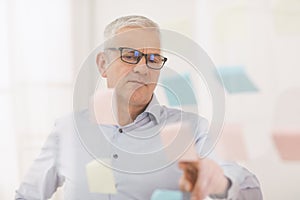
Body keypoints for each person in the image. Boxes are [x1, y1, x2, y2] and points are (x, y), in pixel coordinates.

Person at [15, 15, 262, 200]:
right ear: (103, 63)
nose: (143, 68)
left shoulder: (188, 129)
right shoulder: (68, 129)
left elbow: (250, 190)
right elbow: (27, 195)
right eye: (130, 55)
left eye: (153, 59)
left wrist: (221, 182)